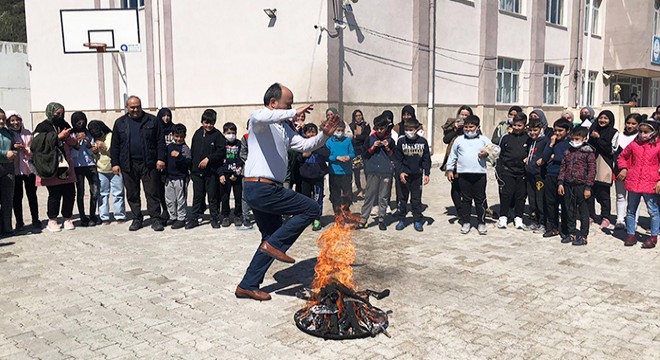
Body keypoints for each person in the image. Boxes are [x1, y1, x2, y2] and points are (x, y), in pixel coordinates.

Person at [235, 83, 340, 301]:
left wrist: (325, 135)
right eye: (288, 104)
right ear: (273, 103)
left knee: (270, 238)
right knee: (311, 208)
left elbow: (304, 145)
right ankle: (273, 246)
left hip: (266, 188)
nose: (292, 109)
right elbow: (260, 116)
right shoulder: (260, 122)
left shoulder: (284, 128)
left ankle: (247, 285)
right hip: (261, 187)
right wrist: (294, 112)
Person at [110, 96, 167, 232]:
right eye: (132, 107)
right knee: (132, 193)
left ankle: (155, 218)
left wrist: (161, 159)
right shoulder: (120, 123)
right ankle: (137, 218)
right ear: (127, 107)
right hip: (128, 164)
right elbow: (115, 145)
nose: (135, 110)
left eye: (137, 106)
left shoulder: (152, 120)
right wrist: (115, 163)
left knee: (152, 192)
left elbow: (160, 141)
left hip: (149, 163)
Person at [446, 115, 497, 235]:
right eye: (466, 127)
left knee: (480, 199)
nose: (468, 129)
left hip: (479, 174)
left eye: (471, 127)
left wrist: (486, 154)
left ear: (478, 127)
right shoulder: (459, 140)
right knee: (466, 200)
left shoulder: (483, 140)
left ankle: (481, 222)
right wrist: (449, 170)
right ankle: (466, 222)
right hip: (463, 174)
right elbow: (452, 155)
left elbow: (496, 151)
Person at [33, 102, 78, 232]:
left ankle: (67, 218)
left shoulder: (65, 125)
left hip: (66, 164)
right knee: (55, 194)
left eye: (62, 113)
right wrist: (57, 137)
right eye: (57, 113)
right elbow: (37, 143)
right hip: (51, 164)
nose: (60, 115)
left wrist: (68, 137)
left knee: (70, 192)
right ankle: (52, 219)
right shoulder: (42, 126)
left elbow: (74, 142)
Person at [617, 120, 660, 249]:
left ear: (654, 132)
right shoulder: (634, 144)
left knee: (653, 211)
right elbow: (622, 156)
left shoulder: (658, 146)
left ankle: (653, 237)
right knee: (631, 210)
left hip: (650, 182)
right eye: (640, 132)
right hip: (634, 181)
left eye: (646, 132)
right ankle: (631, 234)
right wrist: (624, 168)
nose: (642, 134)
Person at [186, 109, 226, 229]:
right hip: (197, 173)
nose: (208, 125)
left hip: (211, 172)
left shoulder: (217, 135)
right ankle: (194, 218)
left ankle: (214, 218)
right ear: (202, 121)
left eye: (211, 123)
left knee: (212, 196)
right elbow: (193, 152)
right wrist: (192, 169)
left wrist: (209, 158)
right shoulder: (197, 134)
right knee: (198, 196)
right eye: (206, 122)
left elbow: (221, 152)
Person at [557, 126, 596, 246]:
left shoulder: (588, 153)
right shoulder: (568, 152)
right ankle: (571, 233)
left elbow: (592, 171)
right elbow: (563, 168)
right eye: (573, 139)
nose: (574, 141)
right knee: (569, 210)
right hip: (568, 185)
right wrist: (560, 183)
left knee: (583, 211)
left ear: (584, 139)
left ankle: (584, 236)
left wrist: (588, 187)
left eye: (577, 139)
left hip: (582, 186)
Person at [358, 115, 395, 231]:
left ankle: (382, 219)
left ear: (386, 128)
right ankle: (363, 219)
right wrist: (372, 148)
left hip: (386, 172)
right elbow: (364, 155)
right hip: (372, 171)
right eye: (377, 128)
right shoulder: (370, 139)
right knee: (369, 195)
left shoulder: (390, 140)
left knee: (383, 196)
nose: (379, 131)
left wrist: (387, 148)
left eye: (382, 128)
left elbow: (393, 156)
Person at [394, 116, 431, 232]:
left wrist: (427, 173)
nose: (409, 131)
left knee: (416, 200)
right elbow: (397, 160)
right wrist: (400, 172)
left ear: (416, 129)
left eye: (411, 129)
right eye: (407, 129)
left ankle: (417, 220)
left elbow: (426, 159)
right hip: (404, 176)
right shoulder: (401, 141)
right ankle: (401, 219)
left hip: (417, 176)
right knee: (402, 199)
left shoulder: (422, 142)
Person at [5, 111, 41, 230]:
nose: (16, 123)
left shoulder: (28, 133)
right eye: (12, 120)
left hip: (29, 169)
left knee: (32, 195)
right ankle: (19, 222)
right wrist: (13, 147)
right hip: (15, 171)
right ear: (8, 122)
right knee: (17, 197)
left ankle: (35, 220)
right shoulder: (7, 134)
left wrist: (26, 150)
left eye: (17, 120)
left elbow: (34, 150)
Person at [496, 113, 530, 229]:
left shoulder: (529, 139)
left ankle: (518, 217)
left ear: (525, 126)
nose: (516, 127)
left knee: (520, 195)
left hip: (522, 172)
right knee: (506, 194)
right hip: (507, 171)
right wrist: (500, 171)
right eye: (514, 125)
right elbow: (499, 155)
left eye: (519, 125)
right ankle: (503, 217)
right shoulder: (506, 137)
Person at [88, 120, 125, 225]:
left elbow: (115, 150)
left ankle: (119, 215)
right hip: (101, 170)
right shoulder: (95, 139)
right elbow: (96, 156)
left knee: (118, 193)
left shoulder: (111, 136)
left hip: (114, 168)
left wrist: (104, 146)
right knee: (103, 194)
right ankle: (104, 216)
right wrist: (94, 152)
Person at [541, 118, 572, 239]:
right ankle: (552, 227)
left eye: (560, 131)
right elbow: (544, 157)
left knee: (564, 203)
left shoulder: (570, 143)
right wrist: (551, 145)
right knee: (550, 203)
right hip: (551, 174)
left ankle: (565, 229)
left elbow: (562, 158)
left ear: (567, 131)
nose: (557, 133)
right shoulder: (552, 142)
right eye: (555, 131)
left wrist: (555, 157)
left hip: (564, 177)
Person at [588, 110, 618, 228]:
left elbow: (611, 150)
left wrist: (599, 138)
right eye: (601, 118)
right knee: (589, 191)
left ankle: (605, 216)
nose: (602, 120)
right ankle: (590, 214)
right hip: (591, 163)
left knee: (603, 193)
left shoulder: (613, 132)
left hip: (604, 163)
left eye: (606, 118)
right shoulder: (592, 129)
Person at [296, 123, 329, 231]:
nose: (311, 134)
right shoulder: (301, 144)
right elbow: (296, 158)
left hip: (317, 175)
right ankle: (306, 218)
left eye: (313, 131)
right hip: (305, 176)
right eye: (308, 132)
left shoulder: (321, 143)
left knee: (317, 198)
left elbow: (327, 154)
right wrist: (303, 155)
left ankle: (317, 218)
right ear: (304, 134)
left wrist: (315, 147)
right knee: (305, 198)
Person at [71, 111, 100, 227]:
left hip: (91, 165)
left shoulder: (89, 134)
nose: (81, 123)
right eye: (78, 121)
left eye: (83, 120)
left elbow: (92, 151)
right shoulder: (72, 134)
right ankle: (83, 216)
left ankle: (93, 215)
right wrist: (77, 144)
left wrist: (87, 142)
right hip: (78, 166)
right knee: (80, 193)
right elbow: (72, 154)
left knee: (94, 191)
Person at [441, 105, 471, 220]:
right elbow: (446, 140)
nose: (463, 117)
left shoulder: (472, 125)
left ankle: (466, 207)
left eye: (466, 115)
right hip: (454, 158)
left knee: (467, 185)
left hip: (467, 158)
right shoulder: (452, 124)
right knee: (455, 184)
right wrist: (455, 129)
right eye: (462, 114)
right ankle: (460, 210)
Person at [613, 113, 641, 230]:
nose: (630, 126)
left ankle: (634, 220)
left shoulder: (640, 138)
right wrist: (621, 168)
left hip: (634, 170)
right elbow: (614, 153)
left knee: (634, 197)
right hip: (619, 169)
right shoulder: (619, 136)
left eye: (633, 124)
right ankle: (620, 219)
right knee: (620, 195)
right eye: (628, 123)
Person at [523, 118, 549, 233]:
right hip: (529, 173)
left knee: (540, 199)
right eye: (531, 130)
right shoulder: (530, 140)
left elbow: (548, 154)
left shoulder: (545, 141)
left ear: (541, 129)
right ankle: (533, 220)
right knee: (532, 199)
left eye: (535, 130)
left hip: (540, 175)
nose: (533, 132)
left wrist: (543, 159)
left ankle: (542, 222)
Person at [165, 124, 191, 230]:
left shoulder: (185, 148)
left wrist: (180, 156)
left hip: (181, 178)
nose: (178, 139)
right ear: (173, 135)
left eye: (181, 137)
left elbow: (188, 162)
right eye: (176, 136)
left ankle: (181, 218)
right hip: (169, 178)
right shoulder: (169, 147)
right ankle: (173, 216)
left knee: (181, 199)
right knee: (170, 199)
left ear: (184, 136)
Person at [326, 121, 354, 215]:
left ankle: (346, 211)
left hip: (346, 172)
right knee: (335, 196)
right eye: (338, 130)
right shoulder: (329, 142)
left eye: (342, 130)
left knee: (347, 195)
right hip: (334, 172)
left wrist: (349, 157)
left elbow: (352, 153)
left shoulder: (347, 140)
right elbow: (327, 156)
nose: (340, 132)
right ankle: (338, 216)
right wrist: (336, 157)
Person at [219, 122, 244, 227]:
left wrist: (236, 174)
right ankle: (225, 215)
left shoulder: (239, 144)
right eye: (228, 133)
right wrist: (220, 174)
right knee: (225, 197)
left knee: (238, 196)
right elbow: (218, 160)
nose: (231, 135)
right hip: (224, 175)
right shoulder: (221, 144)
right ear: (224, 133)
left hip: (236, 176)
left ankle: (238, 215)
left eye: (233, 133)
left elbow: (241, 159)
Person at [0, 109, 16, 236]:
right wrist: (4, 153)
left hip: (9, 167)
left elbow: (11, 146)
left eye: (3, 119)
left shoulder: (7, 132)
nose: (1, 121)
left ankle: (7, 227)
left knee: (7, 199)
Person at [157, 107, 174, 224]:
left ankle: (174, 211)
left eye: (168, 115)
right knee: (160, 188)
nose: (166, 118)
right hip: (159, 164)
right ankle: (164, 209)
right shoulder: (156, 129)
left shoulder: (174, 129)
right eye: (163, 116)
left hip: (172, 164)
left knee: (172, 188)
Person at [349, 109, 369, 200]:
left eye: (360, 115)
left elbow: (367, 137)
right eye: (356, 115)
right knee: (356, 171)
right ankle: (359, 189)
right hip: (355, 150)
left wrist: (358, 136)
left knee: (366, 171)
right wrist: (358, 137)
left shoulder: (366, 125)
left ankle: (367, 189)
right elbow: (351, 139)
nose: (358, 117)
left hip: (364, 150)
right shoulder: (351, 126)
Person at [239, 120, 253, 229]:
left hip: (260, 172)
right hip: (247, 171)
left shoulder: (263, 137)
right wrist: (252, 162)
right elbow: (242, 154)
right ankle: (246, 217)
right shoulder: (245, 138)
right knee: (245, 195)